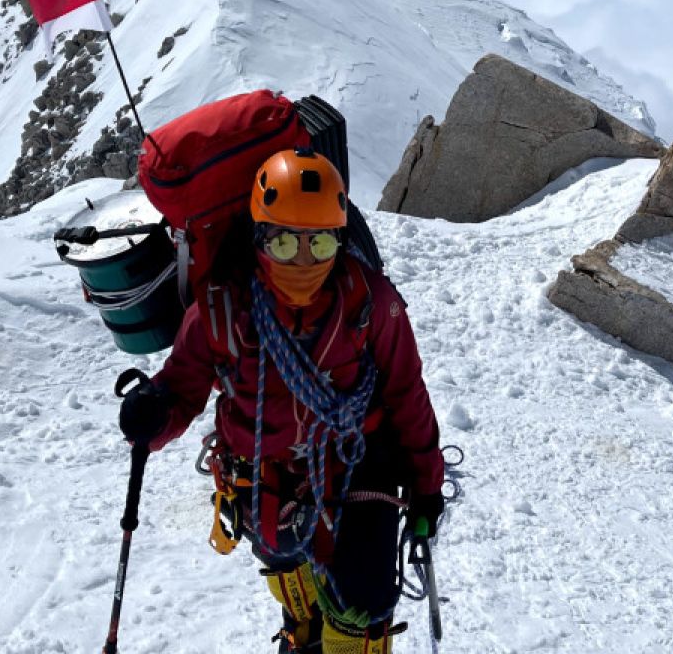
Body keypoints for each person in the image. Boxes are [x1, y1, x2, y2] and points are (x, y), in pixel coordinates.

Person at [118, 148, 445, 653]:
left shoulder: (371, 304)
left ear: (340, 241)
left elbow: (406, 391)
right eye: (287, 242)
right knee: (288, 560)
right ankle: (304, 632)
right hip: (264, 469)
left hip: (357, 456)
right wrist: (155, 411)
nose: (304, 260)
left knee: (365, 597)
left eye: (319, 244)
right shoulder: (223, 310)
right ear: (260, 238)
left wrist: (426, 484)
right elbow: (182, 385)